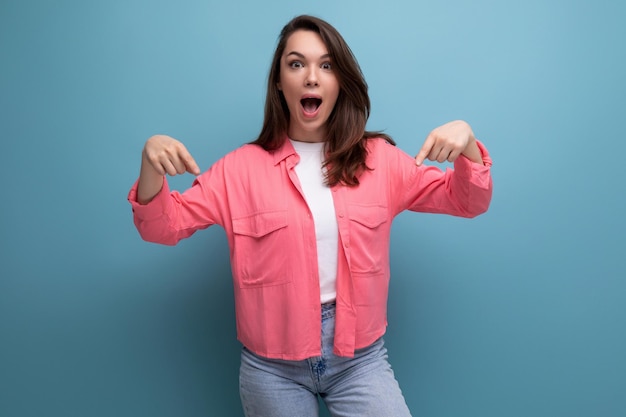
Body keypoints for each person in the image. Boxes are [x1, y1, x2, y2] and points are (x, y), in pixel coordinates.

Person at [128, 14, 492, 417]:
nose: (311, 78)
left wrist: (468, 144)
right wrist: (150, 165)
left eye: (326, 65)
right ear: (279, 83)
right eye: (296, 63)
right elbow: (163, 226)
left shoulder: (381, 162)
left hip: (359, 360)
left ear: (340, 83)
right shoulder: (239, 170)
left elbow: (467, 201)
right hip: (272, 368)